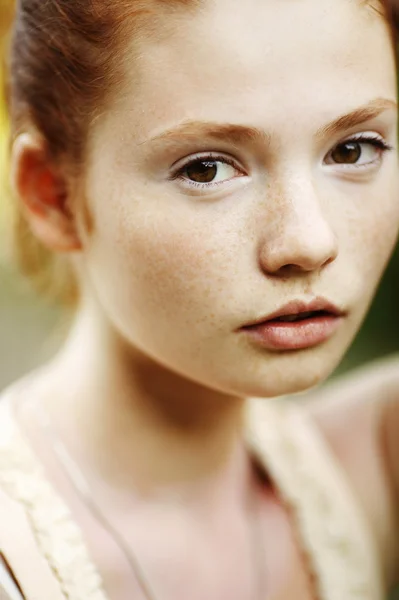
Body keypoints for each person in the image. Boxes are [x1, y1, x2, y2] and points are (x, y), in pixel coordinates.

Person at [0, 0, 398, 598]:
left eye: (352, 150)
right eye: (207, 169)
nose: (310, 242)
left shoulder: (378, 456)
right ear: (52, 195)